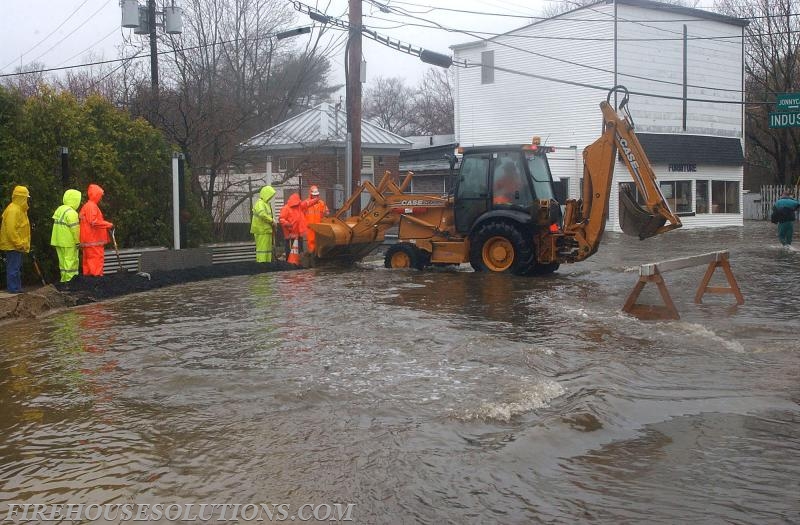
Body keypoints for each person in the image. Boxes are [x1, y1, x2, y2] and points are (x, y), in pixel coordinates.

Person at [0, 186, 31, 293]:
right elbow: (11, 230)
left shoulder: (19, 209)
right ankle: (13, 289)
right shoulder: (14, 210)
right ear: (21, 197)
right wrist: (18, 243)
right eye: (25, 198)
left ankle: (16, 288)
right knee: (13, 268)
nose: (27, 200)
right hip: (13, 245)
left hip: (16, 245)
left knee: (16, 268)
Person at [79, 183, 113, 276]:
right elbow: (93, 222)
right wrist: (108, 224)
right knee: (96, 262)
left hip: (89, 241)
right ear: (96, 195)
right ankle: (96, 283)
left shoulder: (87, 206)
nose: (101, 198)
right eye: (100, 195)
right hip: (94, 240)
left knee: (88, 264)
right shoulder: (91, 206)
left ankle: (89, 284)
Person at [51, 189, 82, 282]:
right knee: (70, 262)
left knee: (62, 263)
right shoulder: (72, 213)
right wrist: (78, 242)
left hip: (57, 241)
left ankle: (64, 281)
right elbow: (75, 230)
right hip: (68, 242)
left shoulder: (60, 210)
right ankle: (70, 281)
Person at [279, 192, 315, 261]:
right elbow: (281, 219)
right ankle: (290, 262)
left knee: (298, 250)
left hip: (298, 234)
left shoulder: (299, 206)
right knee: (290, 250)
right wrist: (288, 224)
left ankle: (298, 261)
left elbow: (307, 203)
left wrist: (315, 200)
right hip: (290, 235)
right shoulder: (286, 208)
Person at [250, 185, 276, 263]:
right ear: (266, 194)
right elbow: (262, 215)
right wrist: (272, 221)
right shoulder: (260, 203)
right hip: (261, 231)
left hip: (266, 230)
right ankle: (262, 265)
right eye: (270, 195)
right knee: (262, 250)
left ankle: (266, 264)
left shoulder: (265, 204)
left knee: (267, 251)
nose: (271, 197)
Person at [303, 185, 329, 253]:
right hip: (310, 227)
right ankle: (312, 255)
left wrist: (326, 214)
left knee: (319, 241)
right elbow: (302, 214)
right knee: (311, 241)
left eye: (317, 195)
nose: (315, 196)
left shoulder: (321, 203)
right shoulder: (306, 203)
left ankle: (318, 255)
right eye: (314, 195)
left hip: (319, 226)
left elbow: (326, 213)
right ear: (311, 195)